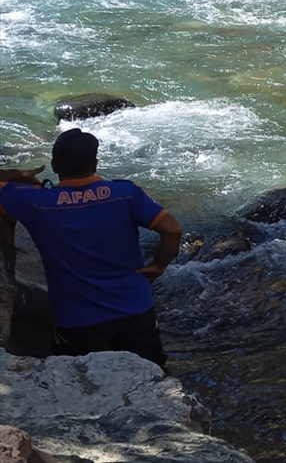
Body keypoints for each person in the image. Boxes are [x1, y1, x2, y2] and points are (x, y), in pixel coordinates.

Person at [0, 129, 182, 367]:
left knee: (83, 384)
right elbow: (172, 230)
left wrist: (13, 174)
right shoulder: (125, 194)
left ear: (54, 166)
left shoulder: (35, 202)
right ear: (95, 164)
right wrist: (158, 266)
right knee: (152, 376)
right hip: (136, 311)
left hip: (77, 322)